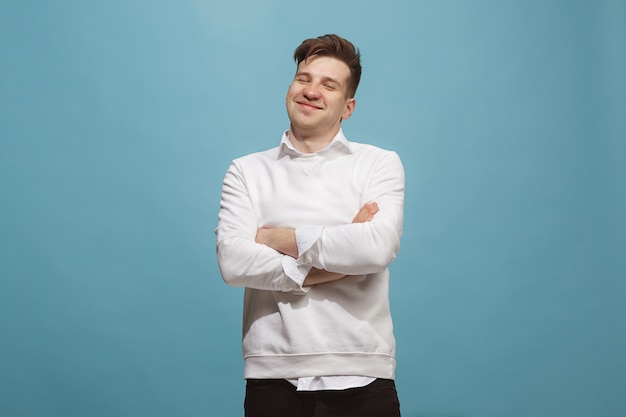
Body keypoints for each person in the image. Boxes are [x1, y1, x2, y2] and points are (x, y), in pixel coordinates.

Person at [215, 34, 405, 417]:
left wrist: (277, 238)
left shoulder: (378, 164)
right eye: (304, 79)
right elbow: (234, 263)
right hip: (273, 371)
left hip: (363, 368)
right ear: (290, 87)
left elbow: (376, 248)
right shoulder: (247, 171)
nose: (312, 91)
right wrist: (335, 255)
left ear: (348, 106)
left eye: (328, 85)